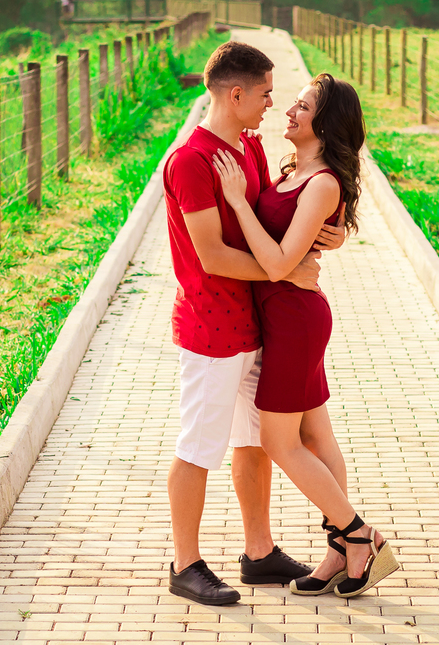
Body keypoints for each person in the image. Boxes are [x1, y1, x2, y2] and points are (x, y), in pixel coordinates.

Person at [161, 42, 347, 605]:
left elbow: (275, 213)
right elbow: (214, 256)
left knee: (253, 443)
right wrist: (286, 273)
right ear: (235, 94)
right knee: (198, 446)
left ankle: (259, 553)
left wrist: (328, 233)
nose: (273, 103)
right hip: (210, 328)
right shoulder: (191, 161)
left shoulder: (247, 147)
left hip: (254, 325)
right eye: (266, 93)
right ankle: (185, 564)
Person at [210, 73, 400, 598]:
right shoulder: (298, 172)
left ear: (324, 122)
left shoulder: (321, 183)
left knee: (278, 440)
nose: (288, 110)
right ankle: (339, 553)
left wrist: (237, 200)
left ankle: (360, 534)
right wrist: (314, 249)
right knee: (316, 438)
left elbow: (274, 262)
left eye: (302, 105)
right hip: (287, 316)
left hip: (294, 322)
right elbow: (291, 247)